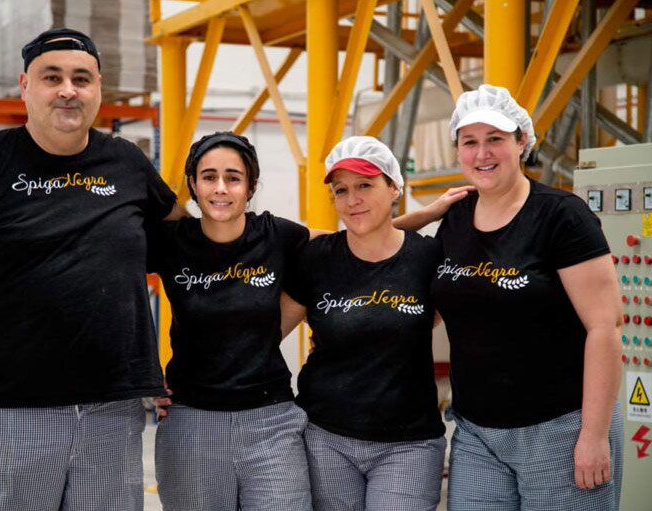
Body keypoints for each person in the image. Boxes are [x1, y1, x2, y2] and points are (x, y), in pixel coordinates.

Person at [0, 27, 185, 511]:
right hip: (7, 416)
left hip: (111, 415)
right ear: (25, 85)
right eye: (53, 77)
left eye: (81, 78)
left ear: (99, 89)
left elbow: (194, 252)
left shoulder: (128, 164)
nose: (68, 90)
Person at [426, 84, 623, 510]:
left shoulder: (561, 216)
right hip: (476, 434)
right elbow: (387, 253)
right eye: (470, 142)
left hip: (560, 429)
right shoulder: (455, 220)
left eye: (495, 139)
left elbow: (604, 327)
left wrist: (594, 435)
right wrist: (424, 214)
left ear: (521, 142)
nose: (482, 154)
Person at [281, 136, 447, 511]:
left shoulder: (428, 258)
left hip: (409, 442)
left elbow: (439, 320)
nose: (352, 199)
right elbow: (265, 335)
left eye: (365, 185)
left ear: (394, 188)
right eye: (342, 190)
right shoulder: (316, 259)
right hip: (325, 436)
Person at [149, 131, 313, 510]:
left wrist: (422, 216)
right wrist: (140, 372)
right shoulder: (171, 242)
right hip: (191, 421)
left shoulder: (277, 235)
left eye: (233, 177)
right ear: (192, 183)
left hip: (271, 420)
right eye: (208, 177)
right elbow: (107, 284)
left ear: (251, 186)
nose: (220, 188)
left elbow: (350, 246)